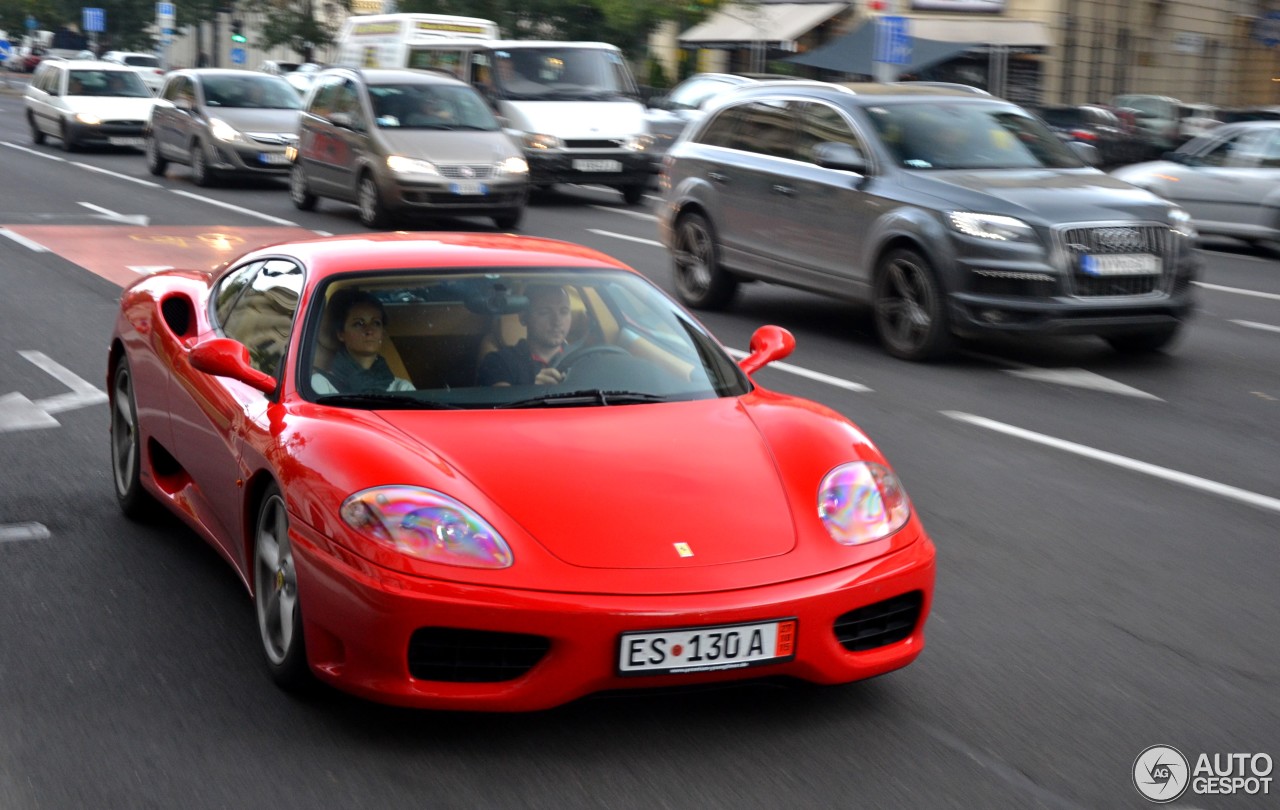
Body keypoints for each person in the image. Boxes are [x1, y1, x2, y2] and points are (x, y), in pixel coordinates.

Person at [312, 290, 414, 394]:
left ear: (382, 333)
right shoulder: (321, 384)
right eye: (358, 324)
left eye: (376, 323)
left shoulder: (402, 388)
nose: (369, 330)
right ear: (341, 334)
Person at [477, 284, 575, 386]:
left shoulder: (583, 359)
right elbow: (501, 400)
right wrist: (534, 391)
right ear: (523, 317)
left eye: (564, 312)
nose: (557, 321)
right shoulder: (499, 362)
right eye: (545, 312)